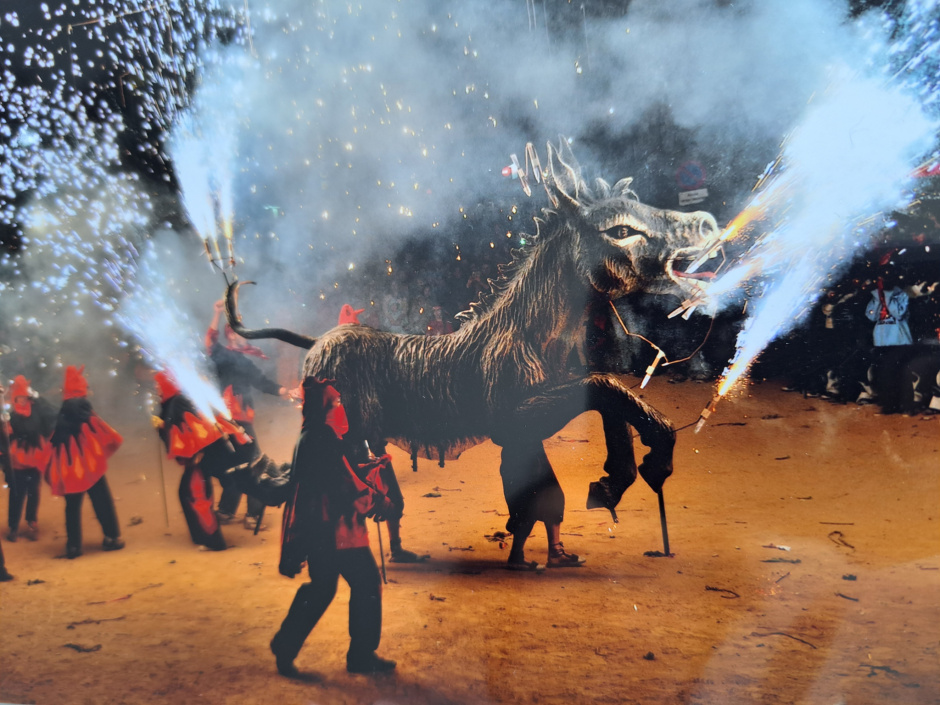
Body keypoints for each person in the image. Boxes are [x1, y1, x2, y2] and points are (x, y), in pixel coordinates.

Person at [270, 377, 399, 677]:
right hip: (333, 531)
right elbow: (344, 485)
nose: (342, 408)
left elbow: (341, 475)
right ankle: (360, 657)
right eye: (337, 403)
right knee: (365, 584)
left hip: (324, 529)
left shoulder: (315, 435)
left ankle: (286, 645)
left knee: (323, 588)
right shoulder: (320, 438)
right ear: (324, 408)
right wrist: (379, 501)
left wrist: (368, 469)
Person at [207, 299, 290, 530]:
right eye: (241, 331)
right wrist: (217, 313)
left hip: (240, 418)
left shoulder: (245, 362)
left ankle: (227, 510)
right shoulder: (221, 355)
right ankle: (251, 514)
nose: (246, 335)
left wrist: (286, 391)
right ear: (232, 334)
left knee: (241, 463)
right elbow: (210, 341)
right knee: (253, 464)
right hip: (230, 419)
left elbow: (263, 383)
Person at [153, 371, 255, 551]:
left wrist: (163, 428)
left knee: (197, 497)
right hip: (205, 456)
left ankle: (214, 542)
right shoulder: (175, 402)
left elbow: (195, 428)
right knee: (189, 493)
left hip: (204, 456)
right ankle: (202, 536)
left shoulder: (179, 402)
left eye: (158, 385)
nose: (156, 388)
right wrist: (162, 427)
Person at [45, 366, 124, 559]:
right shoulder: (83, 406)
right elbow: (98, 427)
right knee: (102, 499)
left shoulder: (63, 410)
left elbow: (54, 438)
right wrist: (111, 440)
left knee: (72, 505)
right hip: (89, 463)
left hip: (70, 465)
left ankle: (73, 546)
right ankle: (111, 537)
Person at [3, 375, 56, 542]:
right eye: (19, 397)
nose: (23, 400)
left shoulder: (37, 408)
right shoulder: (9, 416)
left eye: (25, 396)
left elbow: (51, 414)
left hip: (35, 458)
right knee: (16, 494)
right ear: (14, 397)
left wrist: (39, 399)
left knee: (33, 491)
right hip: (17, 461)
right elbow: (5, 438)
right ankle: (13, 527)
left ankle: (32, 522)